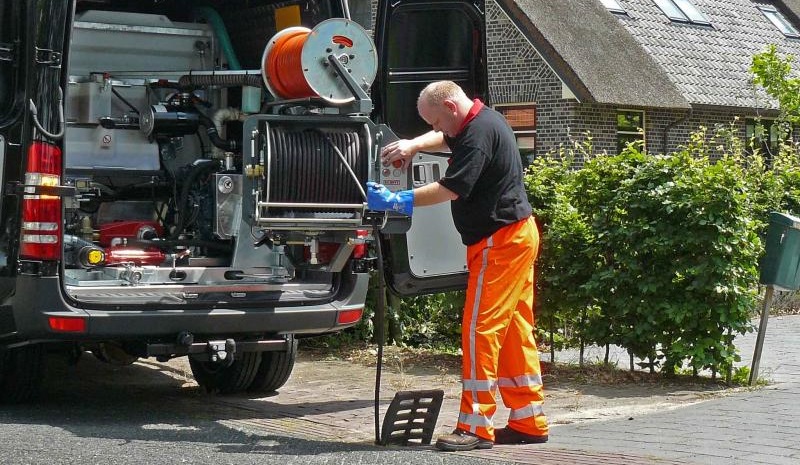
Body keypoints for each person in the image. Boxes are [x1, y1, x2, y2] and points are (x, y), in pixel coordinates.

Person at [366, 81, 549, 452]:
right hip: (514, 236)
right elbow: (447, 140)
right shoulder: (480, 123)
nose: (440, 131)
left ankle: (475, 427)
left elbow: (451, 188)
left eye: (438, 122)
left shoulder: (478, 134)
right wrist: (414, 144)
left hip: (498, 243)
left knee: (479, 331)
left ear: (451, 106)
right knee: (514, 330)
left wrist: (398, 200)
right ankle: (529, 420)